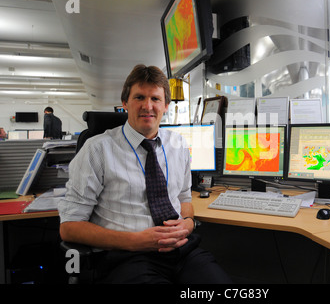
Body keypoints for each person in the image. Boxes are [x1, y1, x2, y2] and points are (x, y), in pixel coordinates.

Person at [58, 64, 231, 284]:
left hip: (181, 252)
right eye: (139, 97)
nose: (147, 106)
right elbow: (70, 227)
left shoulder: (178, 144)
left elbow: (184, 199)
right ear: (125, 103)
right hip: (127, 257)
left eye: (155, 99)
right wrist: (135, 241)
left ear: (166, 105)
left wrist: (187, 223)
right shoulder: (97, 150)